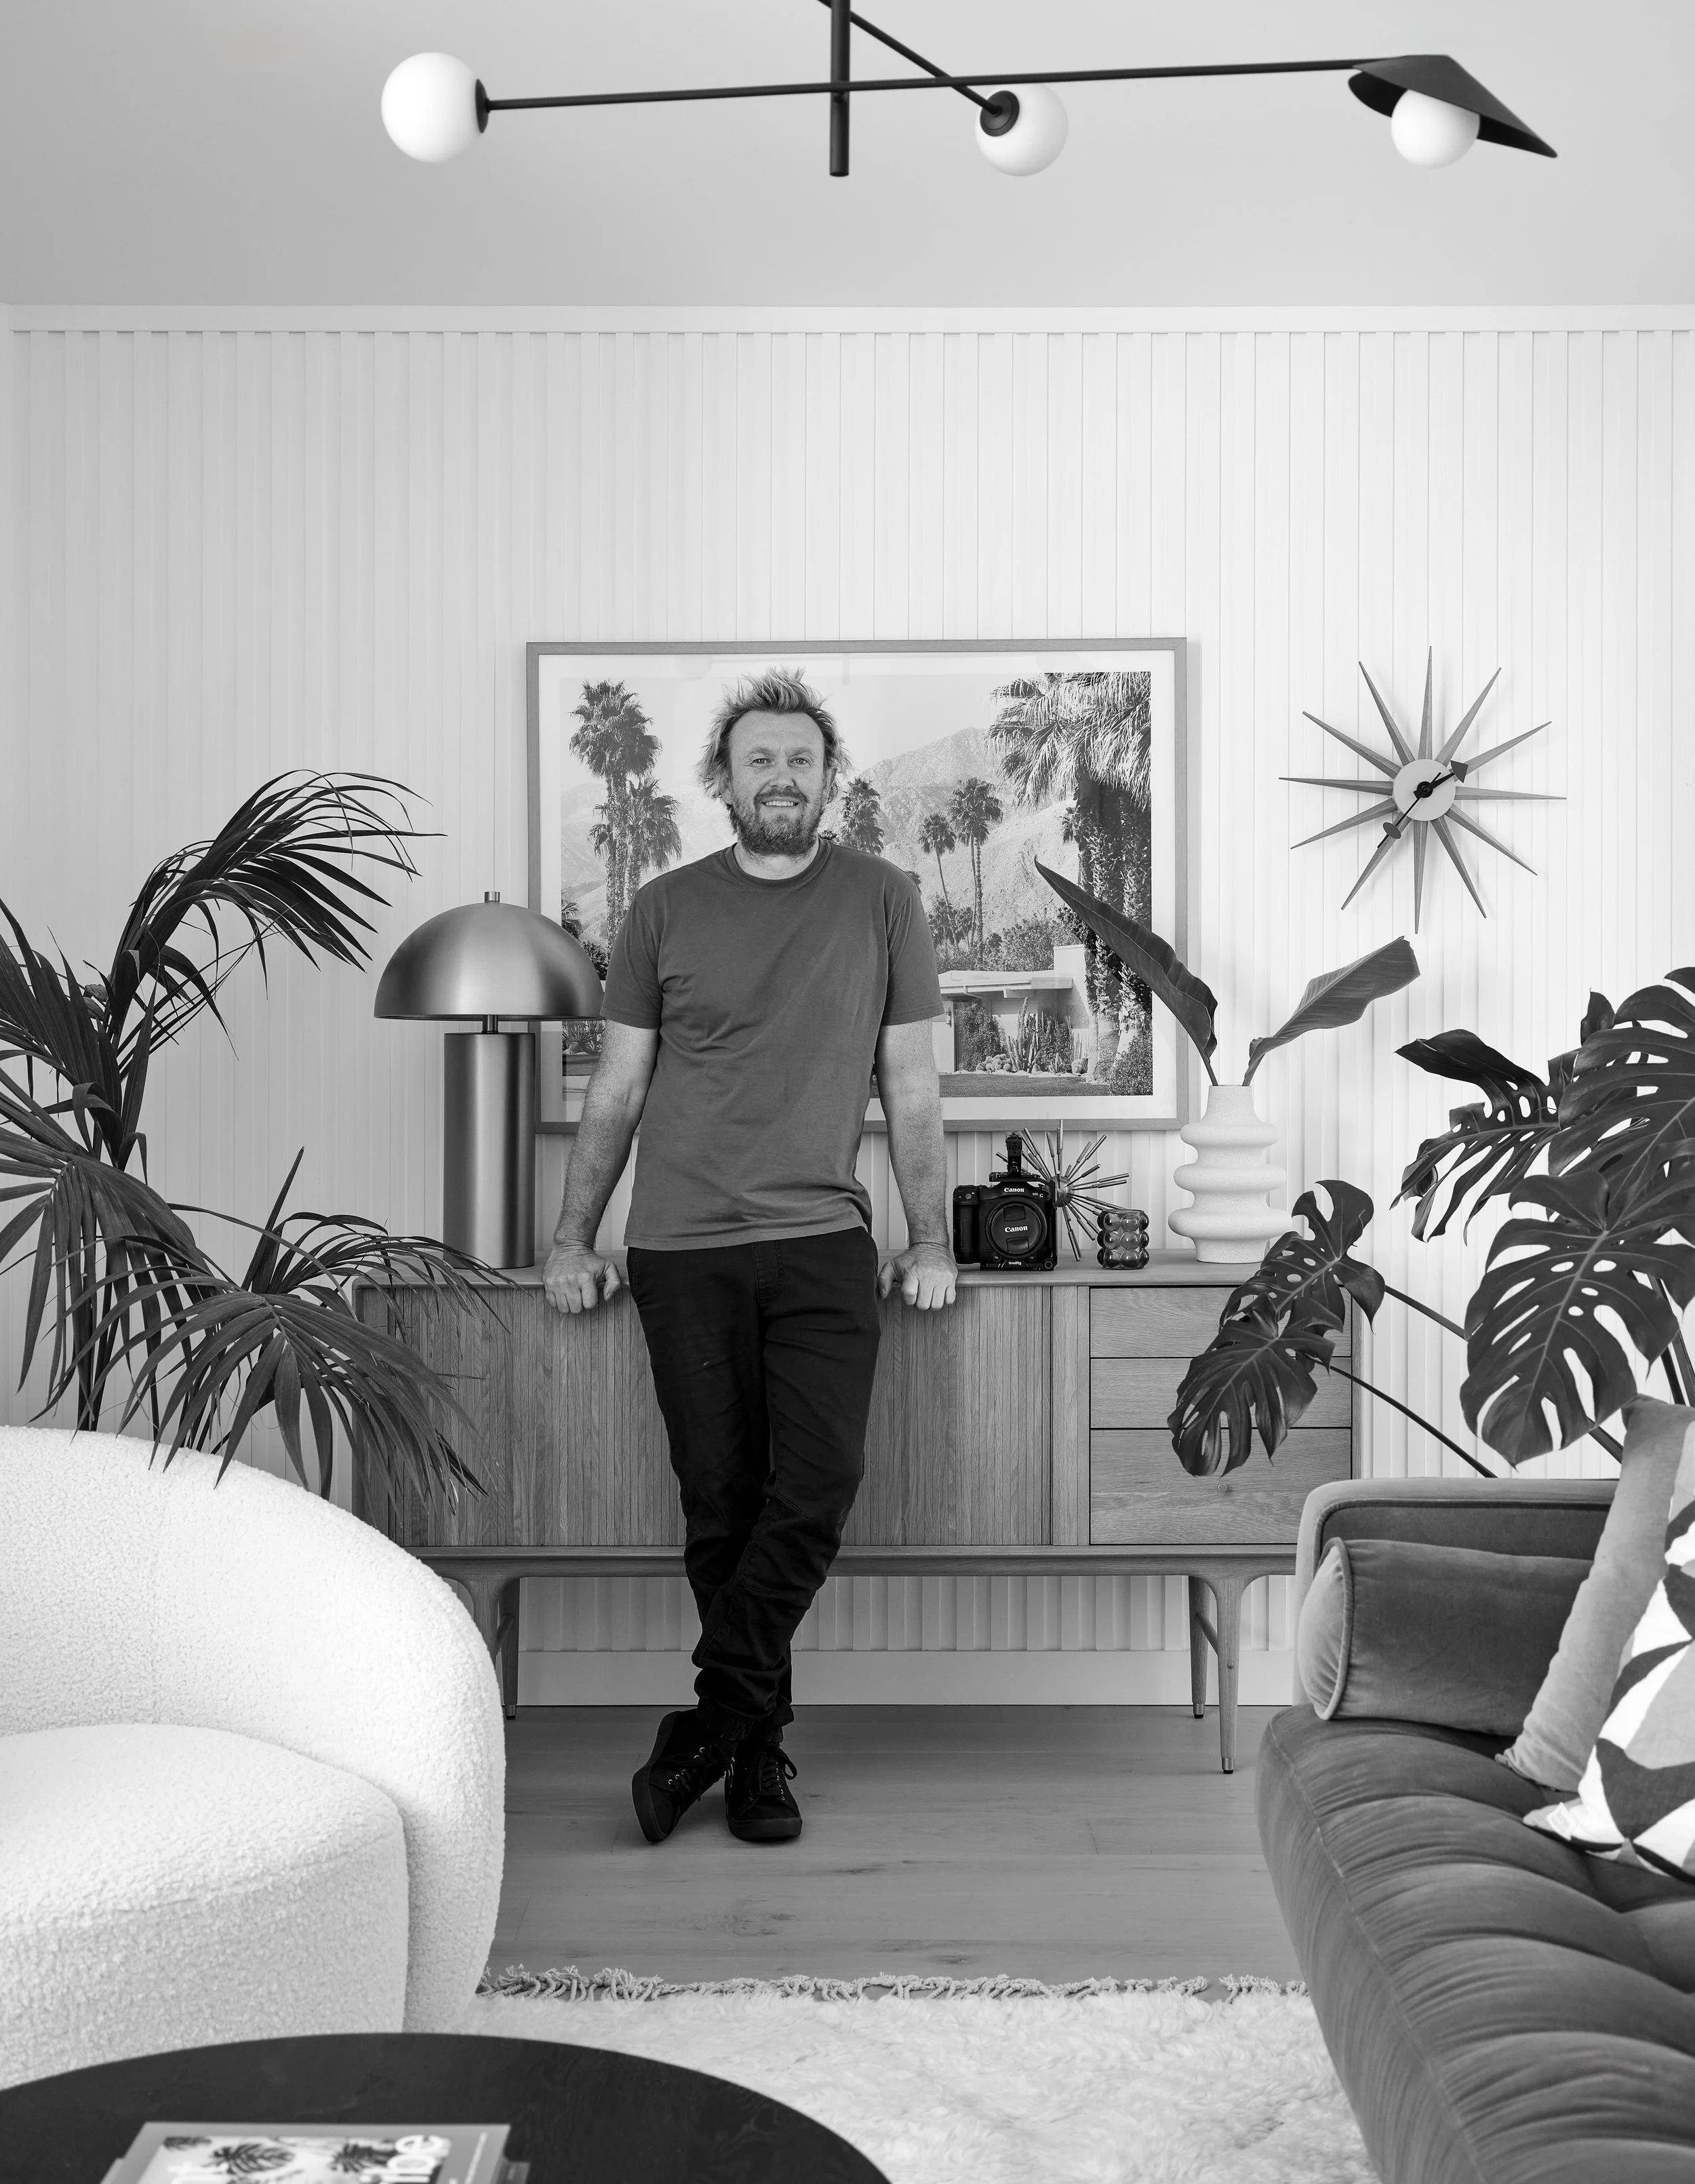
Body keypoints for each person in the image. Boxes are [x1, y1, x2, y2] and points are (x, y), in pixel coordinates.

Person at [542, 667, 957, 1846]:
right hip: (680, 1248)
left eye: (804, 760)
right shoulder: (664, 909)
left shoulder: (883, 900)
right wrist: (575, 1236)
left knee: (814, 1490)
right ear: (722, 781)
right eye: (760, 760)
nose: (784, 777)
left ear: (832, 783)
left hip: (826, 1240)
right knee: (721, 1508)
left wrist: (930, 1235)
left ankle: (707, 1727)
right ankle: (758, 1752)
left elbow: (912, 1085)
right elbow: (618, 1087)